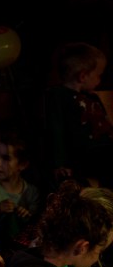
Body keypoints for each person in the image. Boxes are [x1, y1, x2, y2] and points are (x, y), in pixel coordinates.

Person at [43, 41, 113, 187]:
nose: (99, 81)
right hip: (83, 155)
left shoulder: (92, 97)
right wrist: (60, 163)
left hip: (103, 150)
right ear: (83, 76)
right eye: (98, 75)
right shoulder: (59, 96)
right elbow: (56, 130)